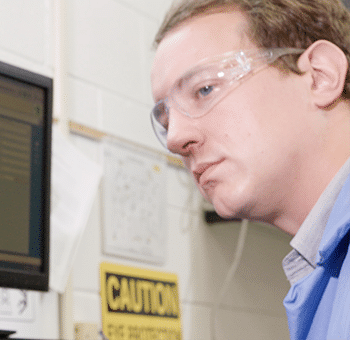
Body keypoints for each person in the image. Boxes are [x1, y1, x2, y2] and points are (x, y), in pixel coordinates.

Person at [150, 0, 350, 338]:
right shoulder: (327, 273)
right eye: (166, 119)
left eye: (204, 89)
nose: (175, 138)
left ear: (320, 76)